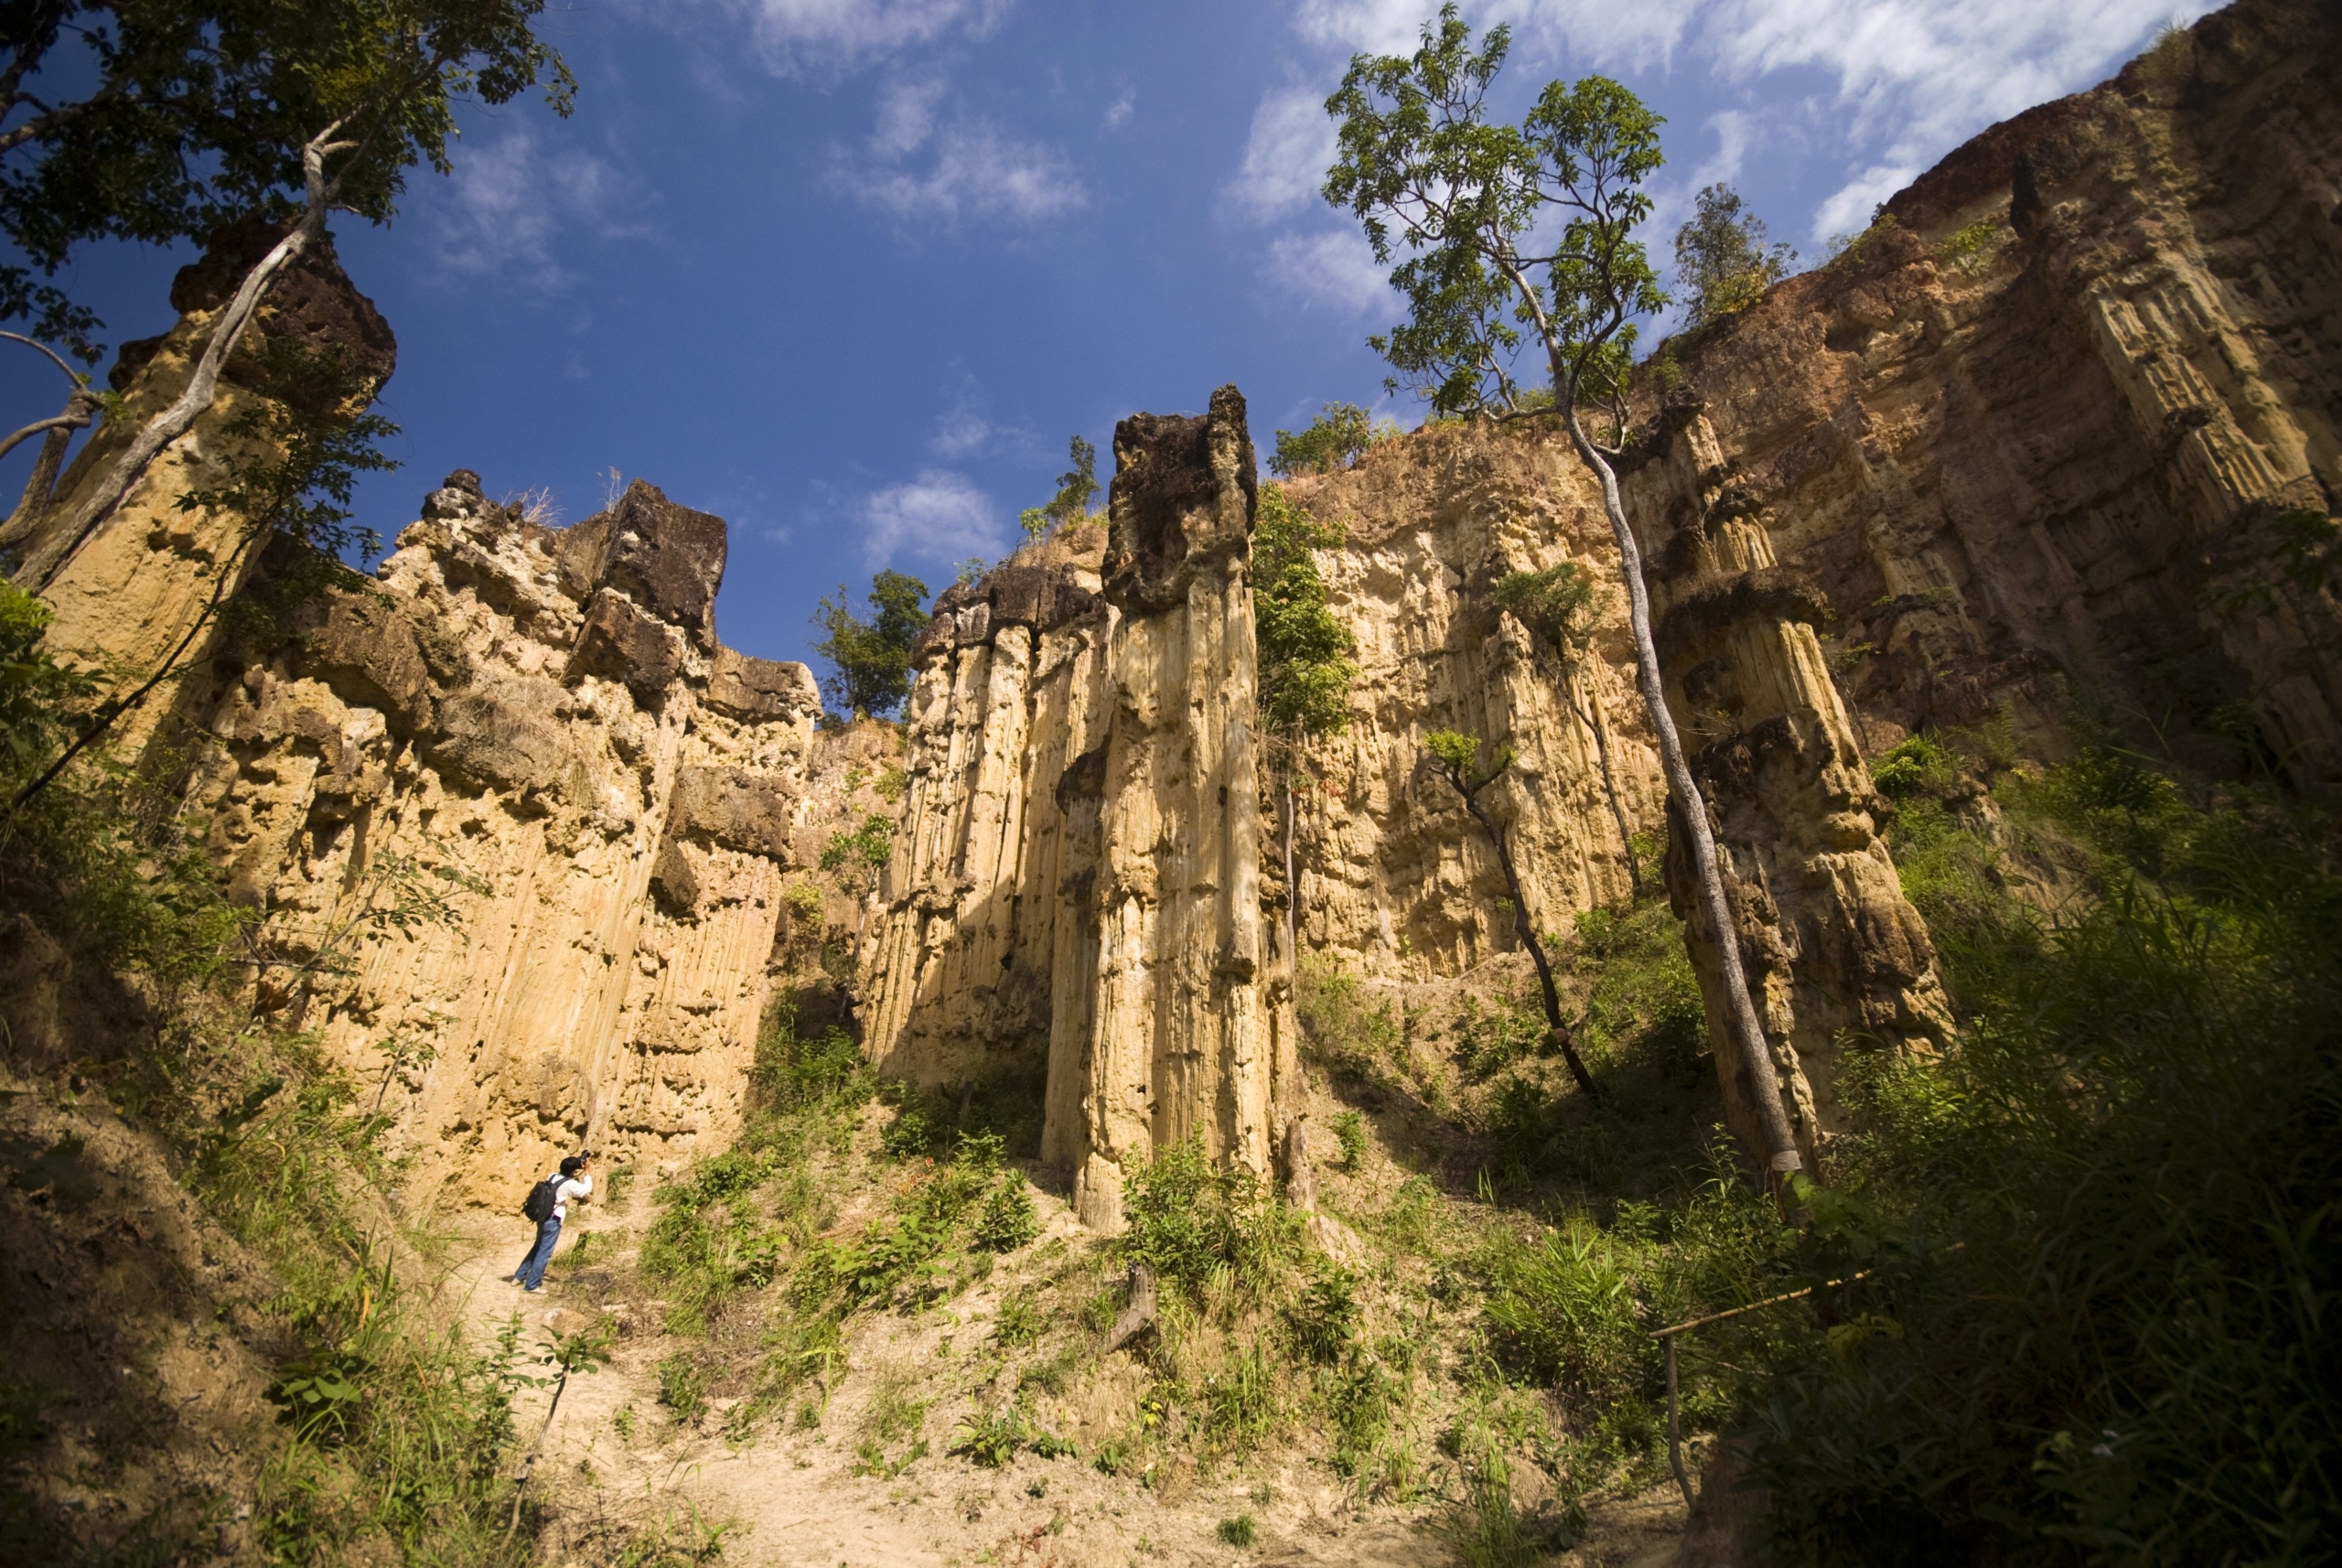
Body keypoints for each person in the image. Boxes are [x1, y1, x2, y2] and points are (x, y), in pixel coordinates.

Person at [510, 1153, 591, 1293]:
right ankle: (532, 1285)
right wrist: (587, 1172)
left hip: (542, 1216)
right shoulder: (570, 1184)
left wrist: (575, 1164)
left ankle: (518, 1276)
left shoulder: (552, 1175)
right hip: (553, 1219)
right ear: (573, 1171)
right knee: (545, 1252)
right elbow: (585, 1190)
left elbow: (565, 1174)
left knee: (536, 1247)